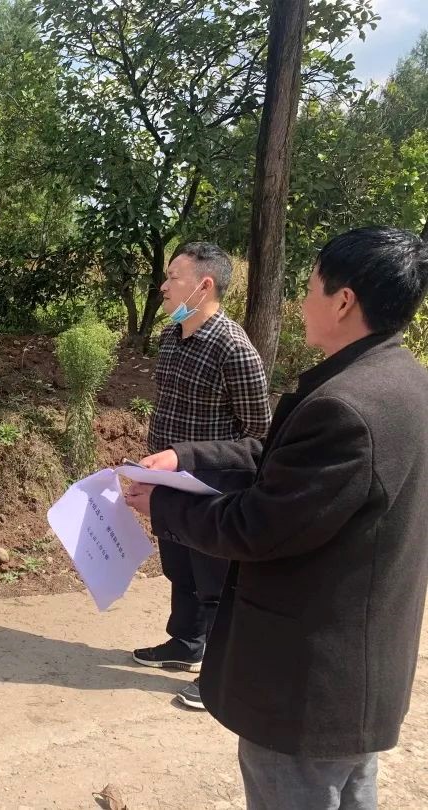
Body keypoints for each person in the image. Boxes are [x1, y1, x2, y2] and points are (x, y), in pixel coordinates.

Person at [125, 227, 428, 810]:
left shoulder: (345, 406)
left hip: (310, 681)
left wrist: (163, 503)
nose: (302, 300)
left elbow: (256, 526)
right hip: (358, 672)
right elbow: (279, 455)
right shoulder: (402, 381)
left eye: (310, 287)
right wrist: (187, 458)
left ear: (344, 301)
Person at [130, 242, 271, 711]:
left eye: (173, 277)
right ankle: (186, 643)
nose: (163, 286)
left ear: (204, 285)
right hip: (169, 479)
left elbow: (259, 434)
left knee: (216, 579)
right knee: (180, 567)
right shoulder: (172, 333)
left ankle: (219, 676)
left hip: (213, 486)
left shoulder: (234, 348)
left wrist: (191, 457)